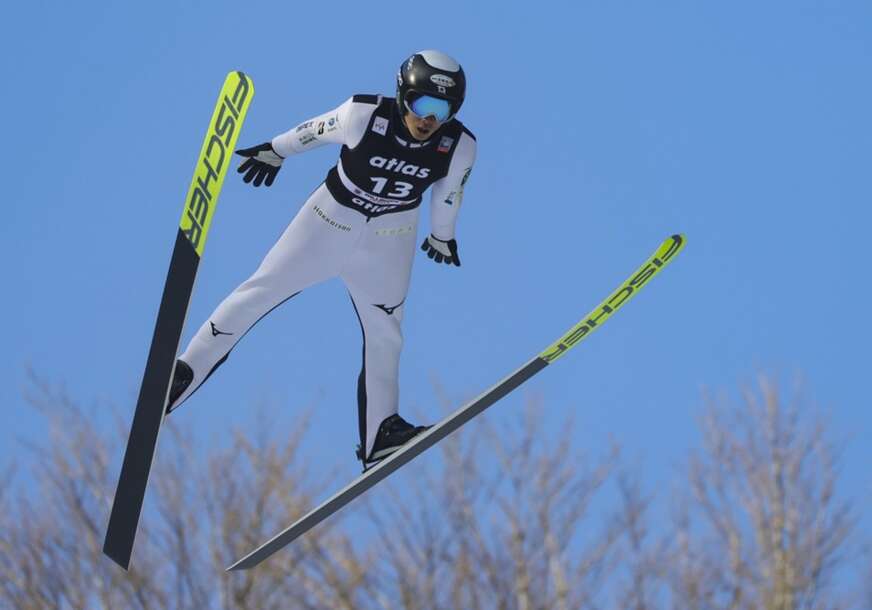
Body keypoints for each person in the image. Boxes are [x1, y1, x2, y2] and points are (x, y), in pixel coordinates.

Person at [164, 50, 477, 471]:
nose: (430, 119)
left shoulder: (458, 145)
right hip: (330, 219)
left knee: (386, 332)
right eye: (423, 104)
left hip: (391, 235)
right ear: (403, 95)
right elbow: (313, 131)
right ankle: (183, 374)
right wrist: (275, 151)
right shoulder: (363, 115)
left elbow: (450, 193)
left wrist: (443, 236)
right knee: (261, 290)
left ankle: (380, 433)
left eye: (444, 110)